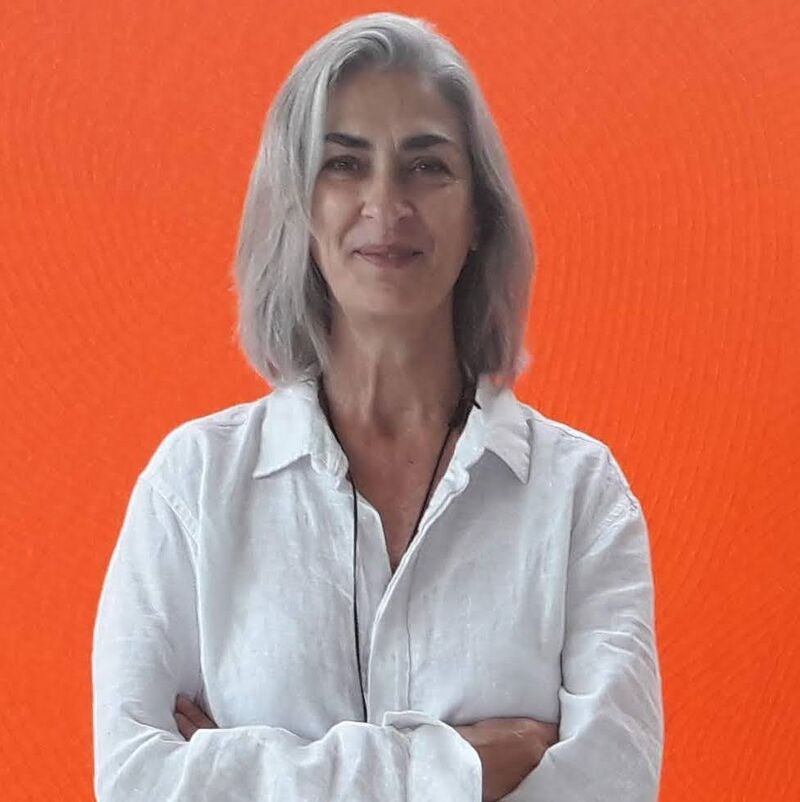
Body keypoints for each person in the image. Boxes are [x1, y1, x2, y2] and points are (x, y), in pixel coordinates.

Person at [91, 11, 664, 802]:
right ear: (298, 209)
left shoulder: (581, 497)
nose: (386, 203)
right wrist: (463, 770)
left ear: (480, 216)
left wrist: (243, 772)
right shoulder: (192, 488)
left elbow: (613, 784)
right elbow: (136, 781)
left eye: (427, 166)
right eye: (343, 164)